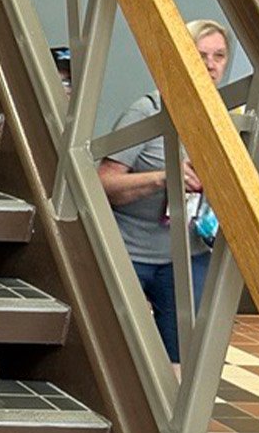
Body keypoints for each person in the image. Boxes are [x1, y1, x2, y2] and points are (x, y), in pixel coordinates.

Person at [96, 19, 230, 365]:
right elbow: (103, 184)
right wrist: (163, 179)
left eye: (219, 56)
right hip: (131, 251)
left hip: (188, 253)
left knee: (184, 356)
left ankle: (168, 420)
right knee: (116, 353)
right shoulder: (147, 111)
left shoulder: (227, 118)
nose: (211, 65)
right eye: (201, 55)